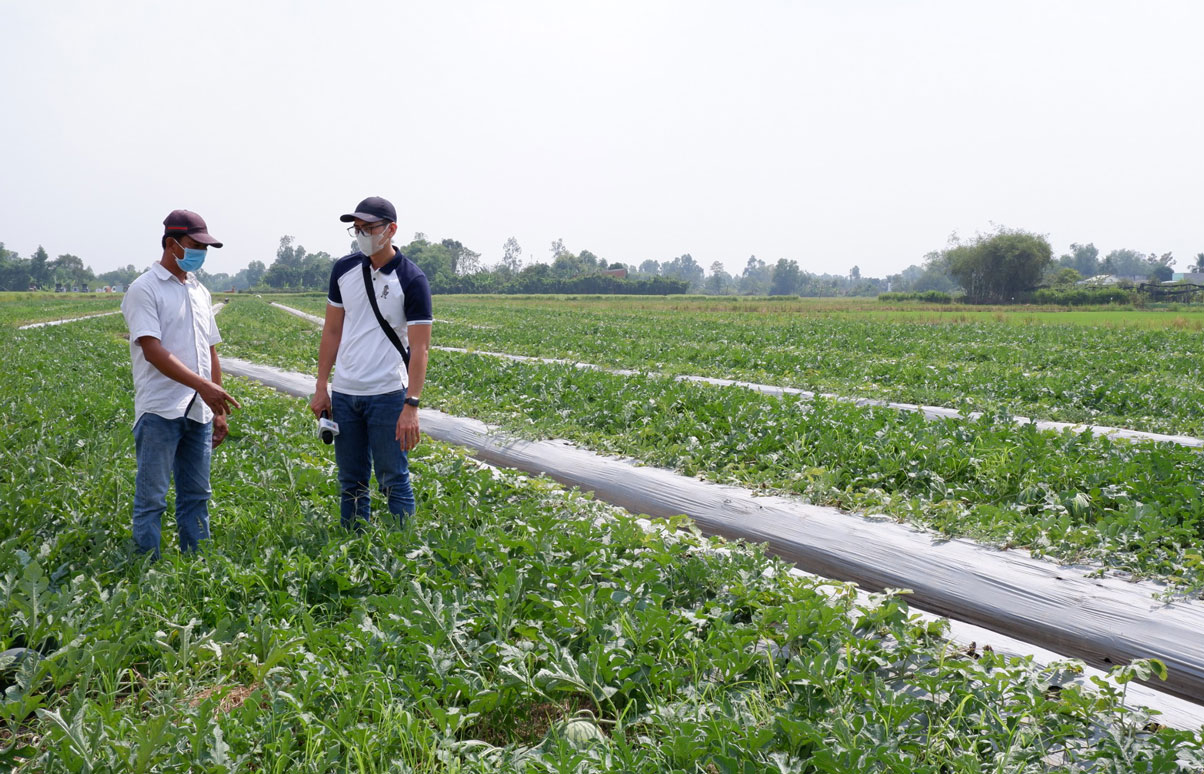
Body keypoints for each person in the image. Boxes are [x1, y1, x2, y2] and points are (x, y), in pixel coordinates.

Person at [120, 210, 240, 559]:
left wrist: (217, 409)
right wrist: (203, 385)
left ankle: (196, 569)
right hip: (160, 410)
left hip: (200, 413)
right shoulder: (144, 289)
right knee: (151, 500)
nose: (201, 253)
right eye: (194, 245)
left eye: (205, 247)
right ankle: (147, 571)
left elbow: (210, 349)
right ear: (171, 244)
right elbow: (153, 351)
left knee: (196, 496)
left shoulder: (199, 291)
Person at [309, 196, 432, 530]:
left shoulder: (412, 279)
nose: (361, 233)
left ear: (390, 230)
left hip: (389, 394)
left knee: (393, 478)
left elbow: (420, 349)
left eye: (368, 227)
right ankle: (353, 548)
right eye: (357, 228)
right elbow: (332, 331)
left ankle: (402, 554)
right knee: (351, 481)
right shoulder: (344, 270)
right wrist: (322, 387)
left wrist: (412, 405)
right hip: (346, 395)